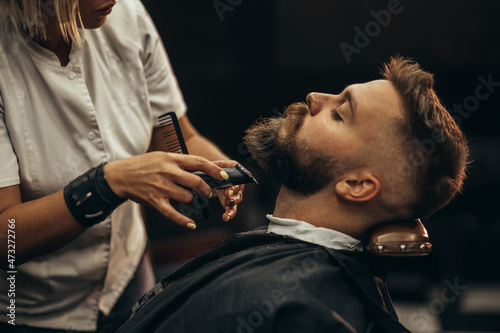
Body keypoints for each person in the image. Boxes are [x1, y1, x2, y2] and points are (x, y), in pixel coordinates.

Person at [112, 56, 469, 333]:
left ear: (357, 185)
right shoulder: (288, 274)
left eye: (340, 113)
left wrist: (102, 186)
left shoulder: (304, 316)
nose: (314, 97)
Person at [0, 0, 245, 331]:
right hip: (31, 310)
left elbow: (175, 136)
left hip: (127, 277)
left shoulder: (126, 14)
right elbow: (6, 236)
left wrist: (218, 171)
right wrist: (105, 184)